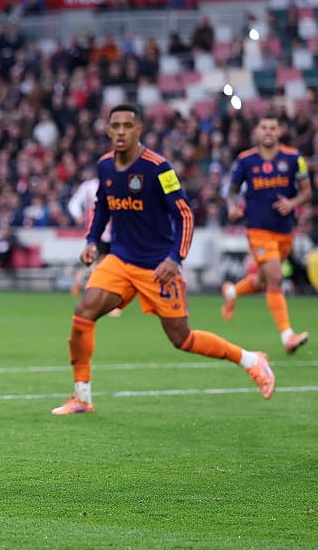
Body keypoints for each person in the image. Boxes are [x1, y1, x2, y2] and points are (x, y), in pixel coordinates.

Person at [53, 104, 273, 415]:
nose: (120, 131)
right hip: (119, 261)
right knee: (82, 314)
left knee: (182, 338)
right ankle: (82, 397)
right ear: (107, 129)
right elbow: (102, 206)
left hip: (157, 267)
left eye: (127, 125)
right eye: (115, 125)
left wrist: (175, 258)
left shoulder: (158, 168)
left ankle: (251, 359)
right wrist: (91, 240)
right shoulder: (104, 166)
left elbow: (184, 214)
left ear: (138, 129)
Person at [220, 113, 311, 354]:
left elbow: (307, 192)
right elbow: (231, 190)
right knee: (275, 278)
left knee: (263, 281)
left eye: (273, 128)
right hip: (258, 229)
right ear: (257, 132)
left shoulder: (293, 158)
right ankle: (287, 335)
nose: (268, 131)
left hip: (284, 230)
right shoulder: (245, 160)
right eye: (264, 127)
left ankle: (231, 291)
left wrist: (292, 203)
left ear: (279, 131)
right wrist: (232, 208)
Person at [66, 167, 121, 317]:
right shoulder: (89, 187)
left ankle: (82, 275)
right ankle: (109, 304)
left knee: (107, 265)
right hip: (99, 232)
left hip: (114, 231)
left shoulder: (114, 184)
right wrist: (78, 216)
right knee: (108, 265)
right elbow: (74, 203)